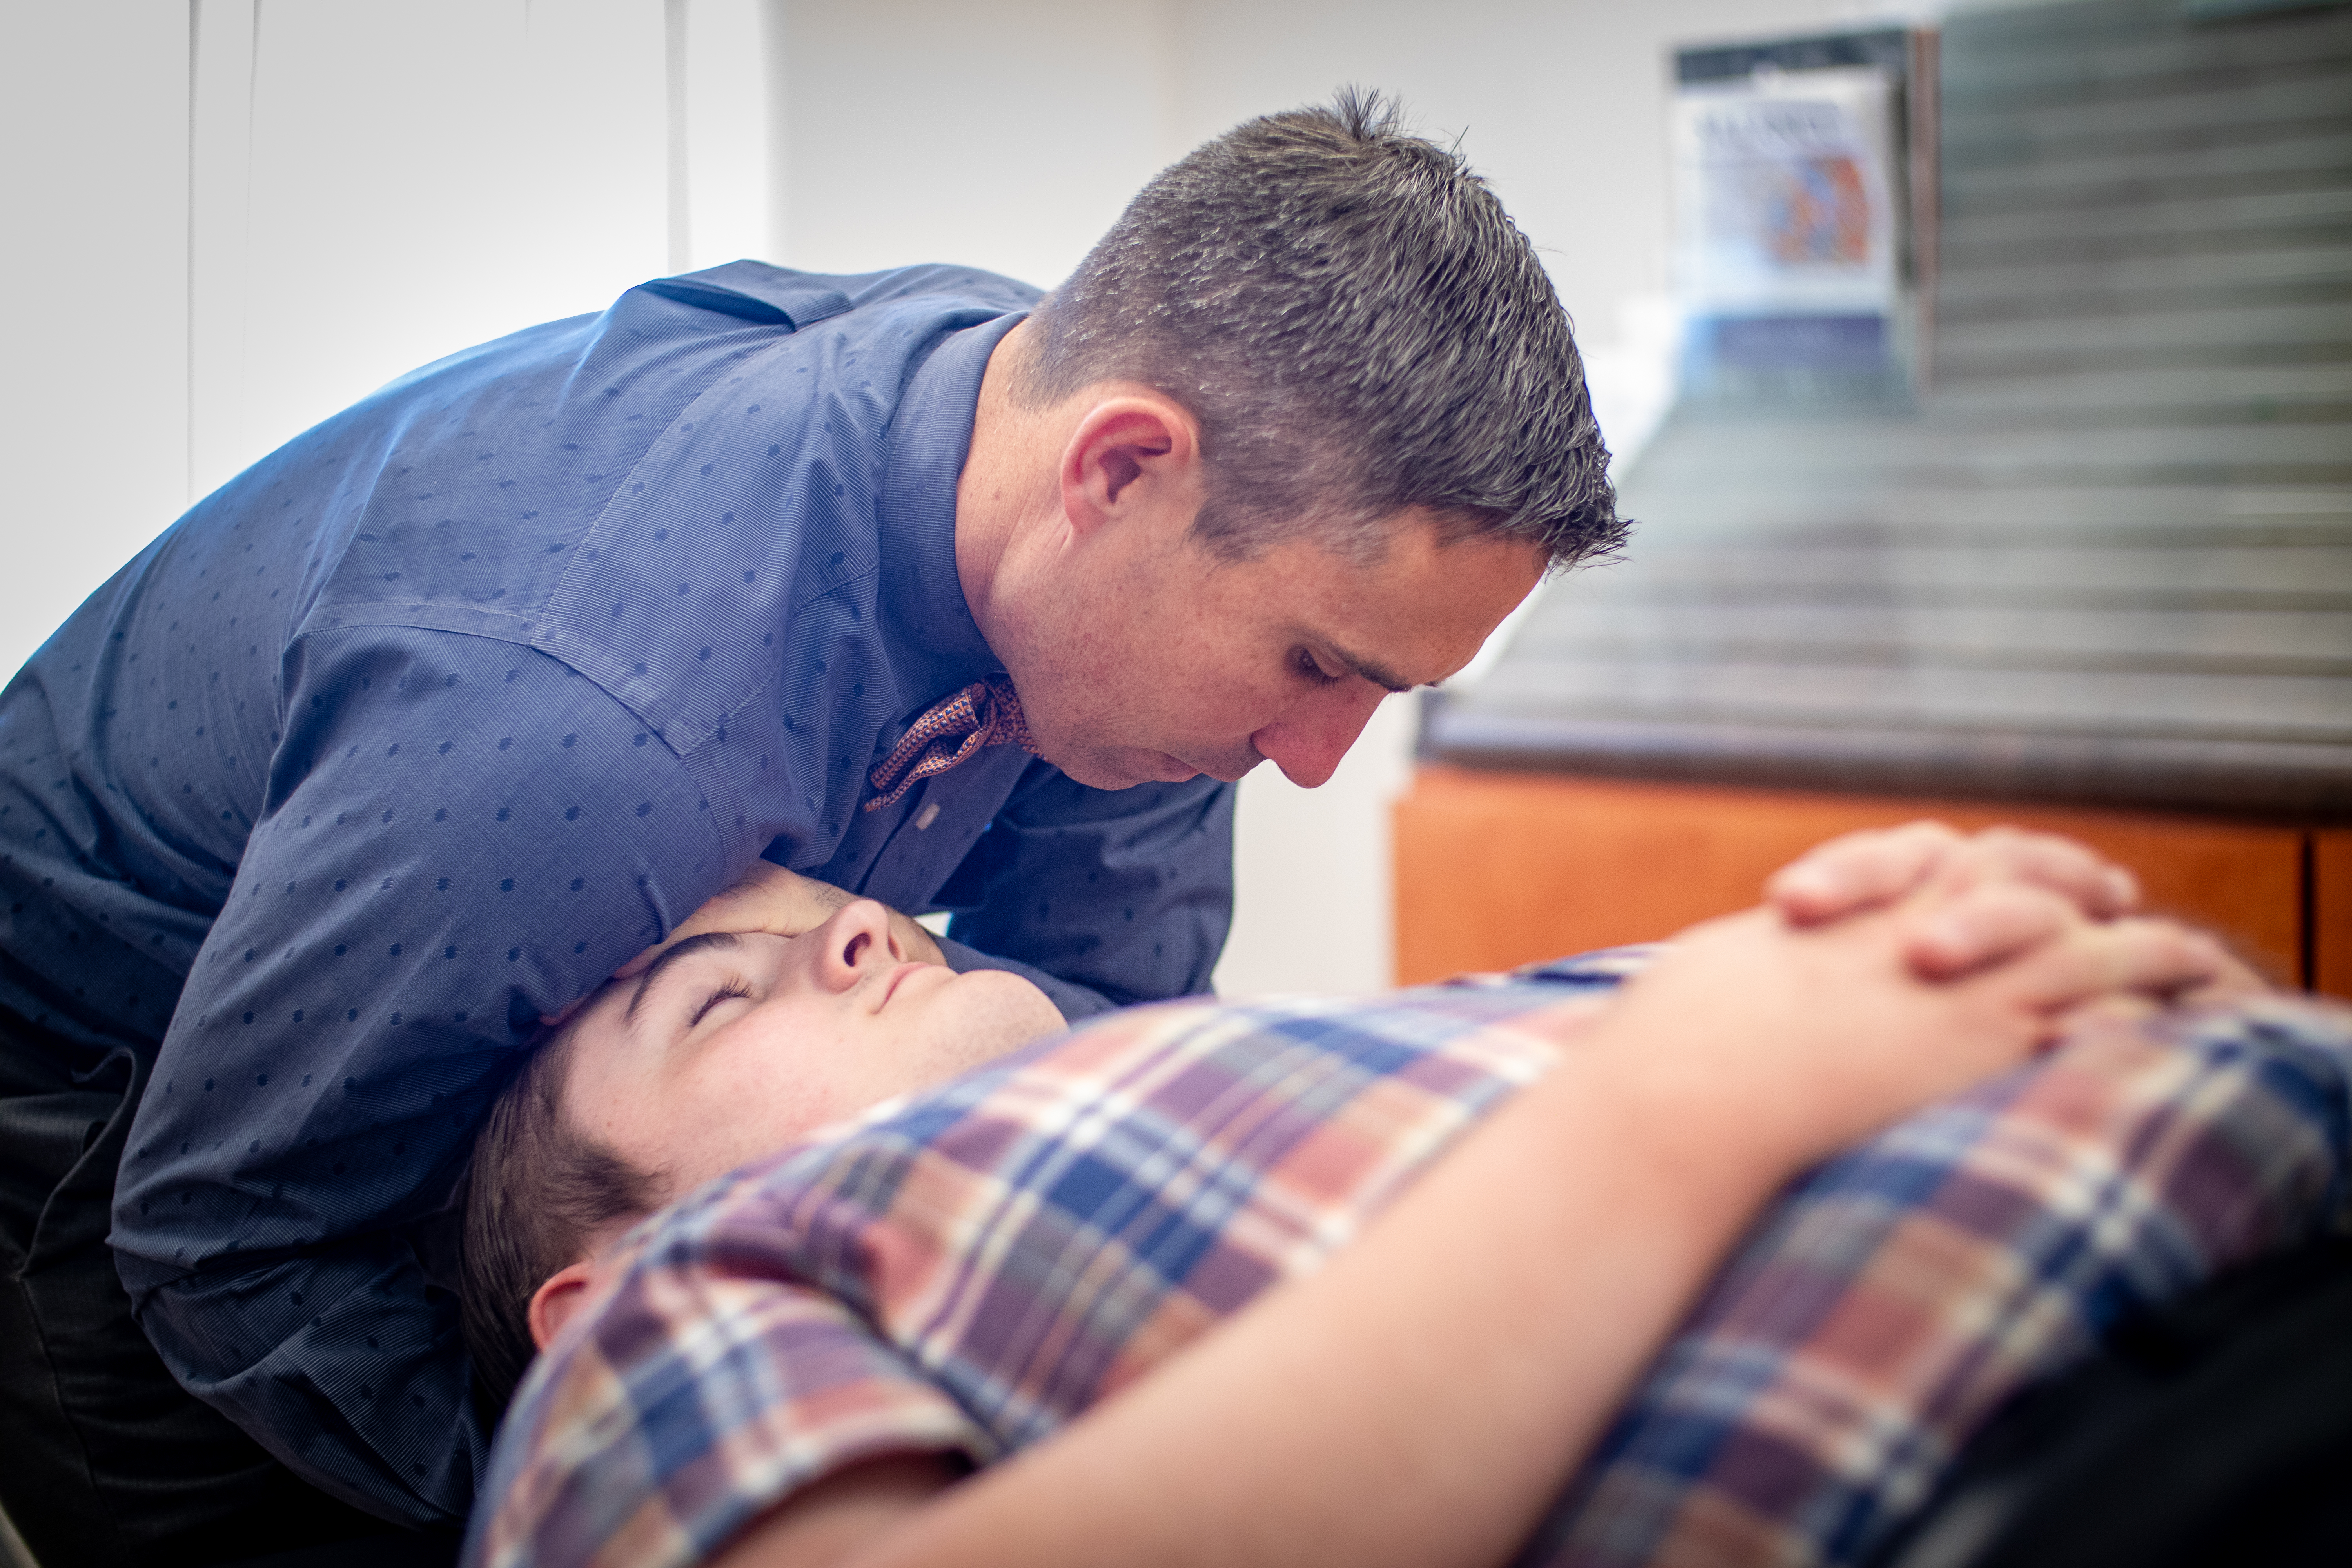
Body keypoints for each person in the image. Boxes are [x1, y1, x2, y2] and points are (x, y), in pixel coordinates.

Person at [0, 90, 1622, 1561]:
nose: (1319, 761)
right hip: (103, 1090)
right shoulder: (588, 714)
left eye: (1381, 689)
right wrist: (683, 1506)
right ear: (1119, 471)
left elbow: (1102, 1038)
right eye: (1314, 666)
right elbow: (227, 1234)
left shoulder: (1065, 491)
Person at [456, 827, 2313, 1568]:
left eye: (832, 909)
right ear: (588, 1286)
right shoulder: (654, 1340)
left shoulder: (1224, 1069)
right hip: (2119, 1446)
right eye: (718, 998)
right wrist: (1682, 1103)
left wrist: (2035, 964)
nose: (863, 924)